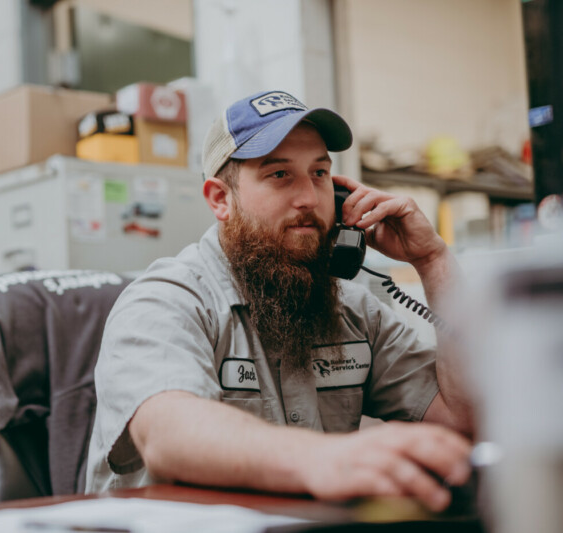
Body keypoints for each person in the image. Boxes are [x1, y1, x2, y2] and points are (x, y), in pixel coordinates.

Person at [85, 90, 474, 512]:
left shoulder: (356, 312)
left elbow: (463, 420)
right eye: (279, 175)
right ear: (220, 199)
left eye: (320, 173)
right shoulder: (165, 299)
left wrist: (433, 261)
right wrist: (323, 458)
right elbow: (168, 435)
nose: (309, 198)